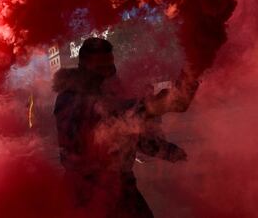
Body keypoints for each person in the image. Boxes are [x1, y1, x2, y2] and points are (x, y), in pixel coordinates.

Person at [53, 38, 199, 218]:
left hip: (123, 186)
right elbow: (89, 131)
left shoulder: (112, 91)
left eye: (110, 67)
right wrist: (149, 107)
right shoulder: (68, 98)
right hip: (86, 191)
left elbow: (130, 132)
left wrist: (167, 151)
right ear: (83, 68)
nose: (107, 74)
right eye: (99, 70)